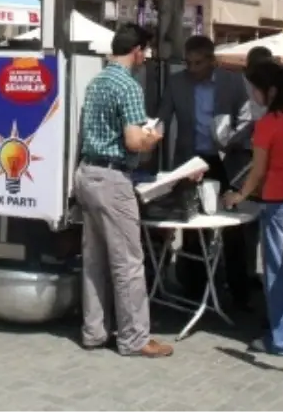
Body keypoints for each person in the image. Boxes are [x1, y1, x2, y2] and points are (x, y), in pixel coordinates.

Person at [73, 24, 172, 358]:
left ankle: (94, 331)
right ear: (138, 50)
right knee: (128, 262)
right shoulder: (129, 86)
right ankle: (134, 338)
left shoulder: (97, 82)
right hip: (114, 179)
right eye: (146, 51)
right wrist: (153, 137)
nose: (146, 58)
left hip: (87, 173)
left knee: (94, 261)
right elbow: (133, 140)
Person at [223, 62, 283, 357]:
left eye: (254, 89)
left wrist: (238, 195)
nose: (252, 95)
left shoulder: (268, 124)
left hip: (278, 203)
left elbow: (257, 172)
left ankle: (282, 339)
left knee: (277, 274)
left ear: (270, 90)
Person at [156, 35, 254, 308]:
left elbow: (246, 119)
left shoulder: (232, 82)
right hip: (191, 159)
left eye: (198, 63)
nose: (192, 68)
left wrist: (231, 138)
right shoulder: (177, 82)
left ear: (212, 60)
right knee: (192, 223)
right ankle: (194, 288)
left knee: (232, 225)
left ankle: (238, 291)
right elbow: (163, 116)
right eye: (189, 63)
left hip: (224, 159)